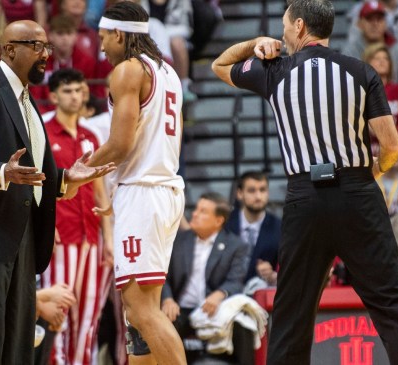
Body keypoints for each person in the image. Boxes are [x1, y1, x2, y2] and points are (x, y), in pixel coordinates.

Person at [211, 1, 398, 363]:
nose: (280, 33)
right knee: (393, 303)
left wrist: (254, 44)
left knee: (292, 311)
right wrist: (368, 173)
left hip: (305, 199)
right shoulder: (360, 70)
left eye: (282, 26)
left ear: (298, 26)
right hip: (358, 196)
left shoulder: (274, 70)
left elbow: (220, 65)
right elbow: (392, 146)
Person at [0, 20, 115, 364]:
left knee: (17, 346)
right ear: (9, 49)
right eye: (37, 46)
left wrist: (64, 180)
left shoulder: (28, 101)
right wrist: (1, 171)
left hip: (21, 236)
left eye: (48, 48)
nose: (45, 55)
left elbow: (32, 174)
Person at [87, 2, 186, 364]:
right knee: (139, 312)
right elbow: (154, 141)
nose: (100, 47)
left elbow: (120, 144)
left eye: (102, 38)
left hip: (145, 194)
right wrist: (118, 189)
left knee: (140, 309)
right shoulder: (167, 71)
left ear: (117, 33)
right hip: (160, 188)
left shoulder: (128, 70)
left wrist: (79, 172)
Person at [40, 68, 113, 365]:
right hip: (61, 234)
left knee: (89, 314)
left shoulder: (92, 135)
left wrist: (108, 237)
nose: (75, 96)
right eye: (68, 90)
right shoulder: (44, 132)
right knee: (59, 309)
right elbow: (39, 184)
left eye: (79, 90)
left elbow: (100, 190)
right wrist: (43, 223)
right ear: (54, 95)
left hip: (91, 235)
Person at [161, 193, 253, 364]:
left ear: (219, 221)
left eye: (203, 211)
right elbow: (163, 276)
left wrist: (220, 294)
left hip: (214, 309)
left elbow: (236, 280)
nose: (194, 214)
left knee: (243, 326)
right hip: (181, 309)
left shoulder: (236, 245)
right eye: (196, 209)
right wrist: (167, 299)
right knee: (163, 325)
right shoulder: (179, 240)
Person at [224, 171, 280, 285]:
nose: (258, 196)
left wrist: (273, 275)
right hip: (226, 294)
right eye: (251, 190)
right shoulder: (224, 224)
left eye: (262, 190)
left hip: (262, 294)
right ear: (239, 193)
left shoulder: (280, 227)